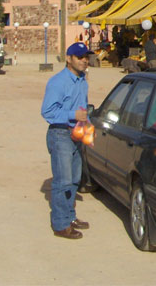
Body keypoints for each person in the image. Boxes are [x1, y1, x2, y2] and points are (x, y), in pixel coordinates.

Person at [40, 42, 91, 240]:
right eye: (80, 57)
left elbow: (82, 106)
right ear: (69, 59)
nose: (84, 61)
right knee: (63, 181)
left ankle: (70, 216)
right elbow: (47, 111)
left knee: (75, 179)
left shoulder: (82, 80)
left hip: (77, 134)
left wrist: (87, 123)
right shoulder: (58, 82)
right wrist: (72, 115)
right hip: (60, 134)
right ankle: (61, 224)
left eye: (86, 57)